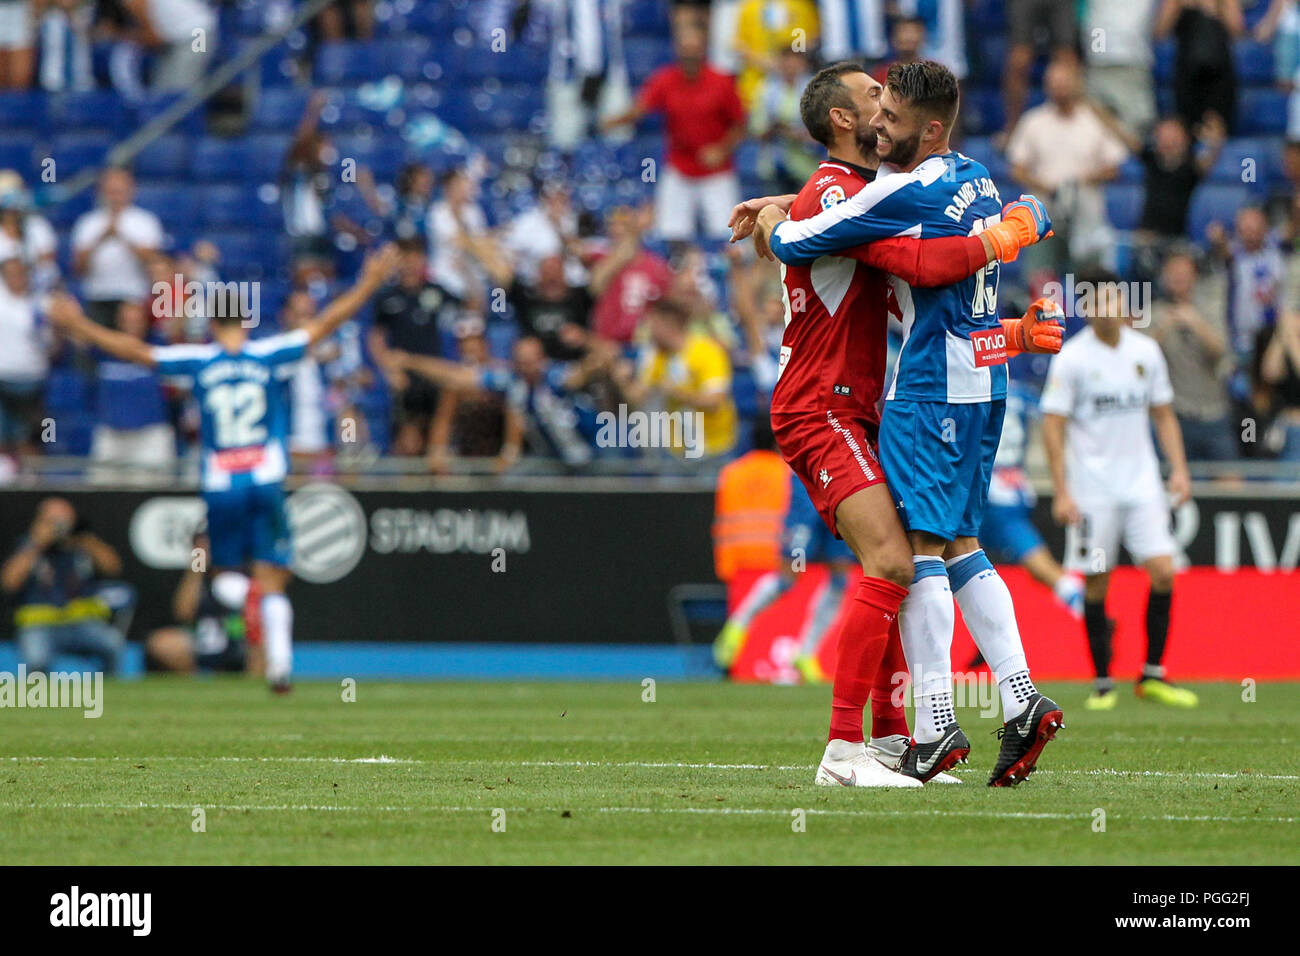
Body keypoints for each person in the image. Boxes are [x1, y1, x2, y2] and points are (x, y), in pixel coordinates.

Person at [736, 60, 1056, 786]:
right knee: (898, 560)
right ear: (844, 121)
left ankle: (905, 734)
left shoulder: (878, 192)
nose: (883, 110)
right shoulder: (889, 186)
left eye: (891, 101)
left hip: (883, 397)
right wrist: (1013, 233)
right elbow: (908, 254)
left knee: (906, 560)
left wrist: (1013, 326)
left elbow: (909, 261)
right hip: (822, 403)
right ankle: (851, 749)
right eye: (872, 98)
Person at [47, 244, 401, 693]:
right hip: (266, 475)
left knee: (226, 573)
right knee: (274, 574)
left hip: (220, 479)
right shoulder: (269, 353)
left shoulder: (199, 360)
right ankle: (279, 665)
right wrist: (368, 282)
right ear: (247, 321)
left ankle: (241, 617)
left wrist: (78, 324)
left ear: (213, 324)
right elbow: (326, 322)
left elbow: (134, 350)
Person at [1040, 270, 1198, 710]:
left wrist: (1179, 470)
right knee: (1096, 582)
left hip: (1143, 484)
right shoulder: (1071, 358)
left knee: (1163, 570)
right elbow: (1053, 425)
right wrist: (1062, 490)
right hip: (1093, 491)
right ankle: (1104, 682)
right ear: (1087, 309)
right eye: (1096, 301)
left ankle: (1151, 675)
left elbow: (1164, 414)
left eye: (1112, 298)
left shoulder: (1145, 352)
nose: (1106, 307)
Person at [602, 21, 746, 243]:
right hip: (679, 167)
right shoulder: (666, 80)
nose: (689, 55)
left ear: (703, 50)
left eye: (694, 49)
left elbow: (740, 125)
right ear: (677, 51)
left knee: (728, 235)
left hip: (716, 170)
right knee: (670, 234)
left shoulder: (721, 82)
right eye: (685, 50)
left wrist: (721, 149)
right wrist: (612, 121)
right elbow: (640, 108)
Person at [977, 377, 1085, 617]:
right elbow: (1052, 417)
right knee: (969, 566)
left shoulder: (972, 389)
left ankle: (1086, 608)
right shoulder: (1022, 395)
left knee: (964, 564)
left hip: (984, 489)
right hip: (1012, 487)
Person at [1, 497, 125, 673]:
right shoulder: (28, 547)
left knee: (113, 644)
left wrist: (85, 539)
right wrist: (37, 543)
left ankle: (108, 695)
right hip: (40, 625)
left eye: (64, 520)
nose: (59, 527)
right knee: (36, 659)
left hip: (80, 623)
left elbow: (113, 568)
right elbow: (9, 583)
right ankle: (40, 698)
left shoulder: (82, 546)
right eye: (53, 521)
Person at [1146, 251, 1237, 461]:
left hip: (1214, 413)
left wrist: (1195, 323)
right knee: (1173, 481)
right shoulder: (1153, 313)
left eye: (1184, 273)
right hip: (1174, 413)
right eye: (1173, 273)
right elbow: (1143, 356)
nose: (1179, 278)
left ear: (1194, 277)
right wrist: (1166, 326)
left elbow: (1220, 351)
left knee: (1232, 482)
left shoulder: (1211, 310)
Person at [146, 526, 258, 674]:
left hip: (240, 640)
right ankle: (194, 687)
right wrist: (197, 566)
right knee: (162, 643)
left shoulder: (244, 570)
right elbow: (183, 613)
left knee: (263, 646)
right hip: (203, 643)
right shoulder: (197, 576)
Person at [70, 167, 163, 329]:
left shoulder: (145, 221)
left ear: (130, 191)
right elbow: (79, 268)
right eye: (110, 191)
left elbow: (153, 263)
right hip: (97, 296)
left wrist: (122, 237)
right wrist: (100, 239)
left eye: (119, 191)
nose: (115, 197)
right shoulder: (88, 223)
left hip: (133, 297)